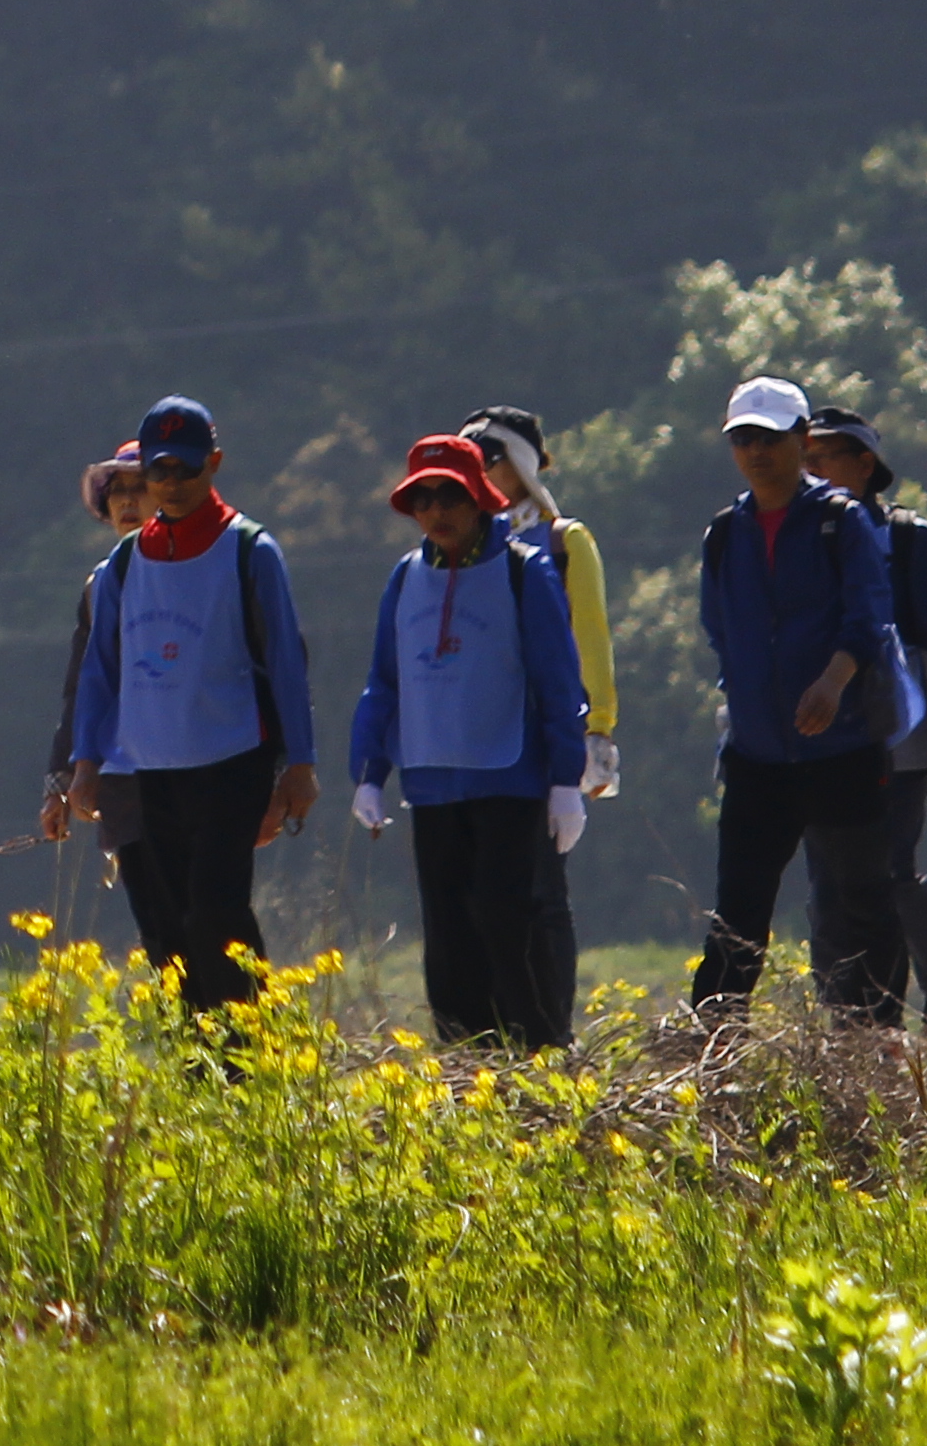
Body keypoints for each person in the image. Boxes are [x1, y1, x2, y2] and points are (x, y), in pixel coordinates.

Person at [63, 396, 316, 1015]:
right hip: (154, 766)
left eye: (186, 469)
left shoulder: (249, 549)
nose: (171, 485)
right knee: (172, 927)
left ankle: (252, 1047)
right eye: (159, 471)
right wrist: (86, 761)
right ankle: (204, 1058)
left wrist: (299, 764)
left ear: (215, 464)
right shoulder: (124, 563)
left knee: (216, 910)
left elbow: (285, 661)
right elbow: (99, 671)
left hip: (232, 760)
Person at [343, 435, 589, 1052]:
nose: (435, 510)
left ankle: (537, 1055)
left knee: (509, 924)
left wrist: (566, 780)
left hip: (510, 779)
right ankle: (464, 1065)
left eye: (449, 494)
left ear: (479, 497)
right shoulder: (405, 577)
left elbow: (558, 680)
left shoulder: (522, 570)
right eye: (421, 498)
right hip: (431, 784)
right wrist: (370, 771)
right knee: (449, 936)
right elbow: (384, 681)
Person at [687, 373, 917, 1027]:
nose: (756, 451)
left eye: (770, 436)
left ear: (802, 438)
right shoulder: (725, 534)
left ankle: (875, 1040)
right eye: (744, 439)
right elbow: (718, 628)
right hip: (757, 753)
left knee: (862, 898)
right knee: (739, 911)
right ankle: (714, 1042)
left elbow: (870, 616)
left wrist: (832, 679)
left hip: (840, 746)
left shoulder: (839, 522)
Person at [797, 403, 927, 1043]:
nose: (809, 471)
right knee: (829, 882)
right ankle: (850, 1027)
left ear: (865, 464)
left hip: (897, 742)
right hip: (818, 744)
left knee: (886, 868)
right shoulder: (797, 538)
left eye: (822, 458)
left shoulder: (910, 541)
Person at [460, 406, 621, 1025]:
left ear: (520, 466)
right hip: (477, 738)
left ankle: (549, 1026)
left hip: (546, 735)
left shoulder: (560, 539)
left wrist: (597, 728)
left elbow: (591, 637)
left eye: (489, 457)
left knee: (542, 891)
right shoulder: (458, 546)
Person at [35, 447, 146, 878]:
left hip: (195, 768)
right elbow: (81, 689)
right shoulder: (99, 586)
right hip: (121, 773)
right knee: (153, 913)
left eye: (140, 487)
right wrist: (62, 780)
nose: (127, 502)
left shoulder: (211, 568)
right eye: (117, 492)